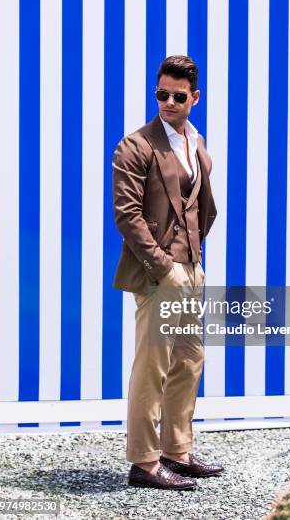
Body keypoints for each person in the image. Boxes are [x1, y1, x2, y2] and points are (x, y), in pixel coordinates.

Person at [112, 55, 224, 490]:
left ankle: (175, 451)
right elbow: (127, 215)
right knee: (153, 364)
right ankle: (143, 462)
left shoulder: (196, 144)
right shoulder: (135, 146)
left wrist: (193, 257)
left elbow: (202, 206)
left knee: (190, 359)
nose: (169, 102)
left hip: (191, 267)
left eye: (179, 96)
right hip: (161, 273)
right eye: (162, 94)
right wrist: (165, 267)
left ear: (194, 97)